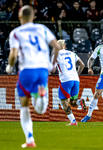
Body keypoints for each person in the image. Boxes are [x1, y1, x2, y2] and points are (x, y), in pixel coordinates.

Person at [6, 5, 61, 148]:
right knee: (40, 110)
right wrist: (51, 64)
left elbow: (13, 55)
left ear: (19, 17)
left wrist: (10, 66)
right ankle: (41, 97)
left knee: (24, 106)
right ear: (33, 16)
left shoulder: (16, 33)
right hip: (42, 70)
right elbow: (56, 46)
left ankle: (30, 139)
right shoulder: (42, 29)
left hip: (26, 71)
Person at [51, 40, 86, 126]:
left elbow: (53, 70)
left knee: (64, 103)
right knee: (72, 102)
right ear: (65, 46)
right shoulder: (72, 53)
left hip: (65, 80)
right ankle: (79, 101)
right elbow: (82, 65)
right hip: (76, 79)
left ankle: (73, 121)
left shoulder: (56, 55)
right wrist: (76, 74)